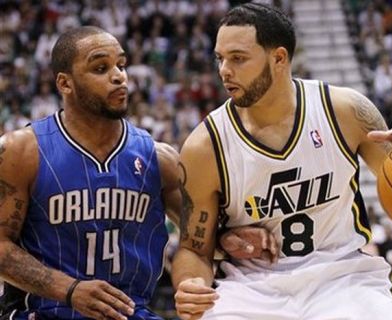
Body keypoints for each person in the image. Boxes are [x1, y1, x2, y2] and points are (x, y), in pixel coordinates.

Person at [171, 3, 392, 320]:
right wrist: (190, 284)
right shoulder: (204, 146)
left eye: (238, 58)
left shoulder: (345, 111)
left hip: (343, 278)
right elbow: (194, 249)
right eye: (220, 58)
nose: (224, 70)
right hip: (250, 289)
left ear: (279, 58)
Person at [0, 26, 250, 320]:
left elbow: (201, 236)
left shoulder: (158, 158)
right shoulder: (21, 151)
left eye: (121, 65)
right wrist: (70, 290)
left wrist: (236, 238)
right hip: (45, 312)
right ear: (65, 84)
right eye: (100, 68)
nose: (119, 76)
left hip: (131, 313)